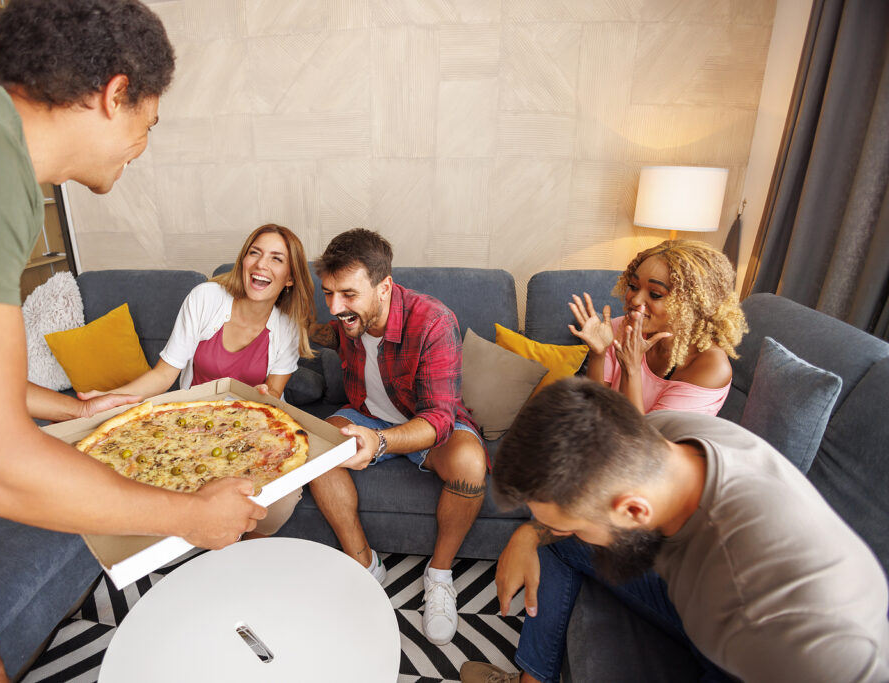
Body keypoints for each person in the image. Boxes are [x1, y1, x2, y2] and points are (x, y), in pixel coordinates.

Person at [0, 1, 265, 680]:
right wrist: (191, 515)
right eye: (149, 123)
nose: (144, 144)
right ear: (115, 95)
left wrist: (74, 411)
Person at [460, 378, 889, 683]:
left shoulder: (776, 618)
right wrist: (531, 535)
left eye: (568, 524)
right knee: (557, 547)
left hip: (752, 656)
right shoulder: (660, 434)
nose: (561, 529)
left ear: (632, 510)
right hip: (711, 608)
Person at [308, 228, 488, 646]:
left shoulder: (434, 321)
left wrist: (381, 442)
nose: (336, 306)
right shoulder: (347, 320)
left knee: (469, 465)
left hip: (423, 424)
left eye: (348, 295)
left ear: (384, 287)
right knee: (316, 445)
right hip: (365, 416)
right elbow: (326, 330)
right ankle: (365, 565)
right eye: (328, 293)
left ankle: (439, 577)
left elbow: (440, 418)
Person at [84, 223, 315, 535]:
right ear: (243, 261)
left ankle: (245, 551)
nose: (261, 264)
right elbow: (164, 375)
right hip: (190, 426)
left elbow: (273, 395)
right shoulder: (206, 298)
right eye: (255, 253)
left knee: (278, 500)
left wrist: (265, 394)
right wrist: (112, 399)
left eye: (276, 258)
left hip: (252, 431)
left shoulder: (286, 326)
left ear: (290, 278)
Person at [568, 240, 747, 415]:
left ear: (692, 305)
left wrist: (631, 368)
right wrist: (598, 355)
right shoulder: (621, 328)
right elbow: (592, 412)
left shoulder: (710, 367)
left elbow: (643, 441)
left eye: (655, 294)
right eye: (633, 286)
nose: (635, 300)